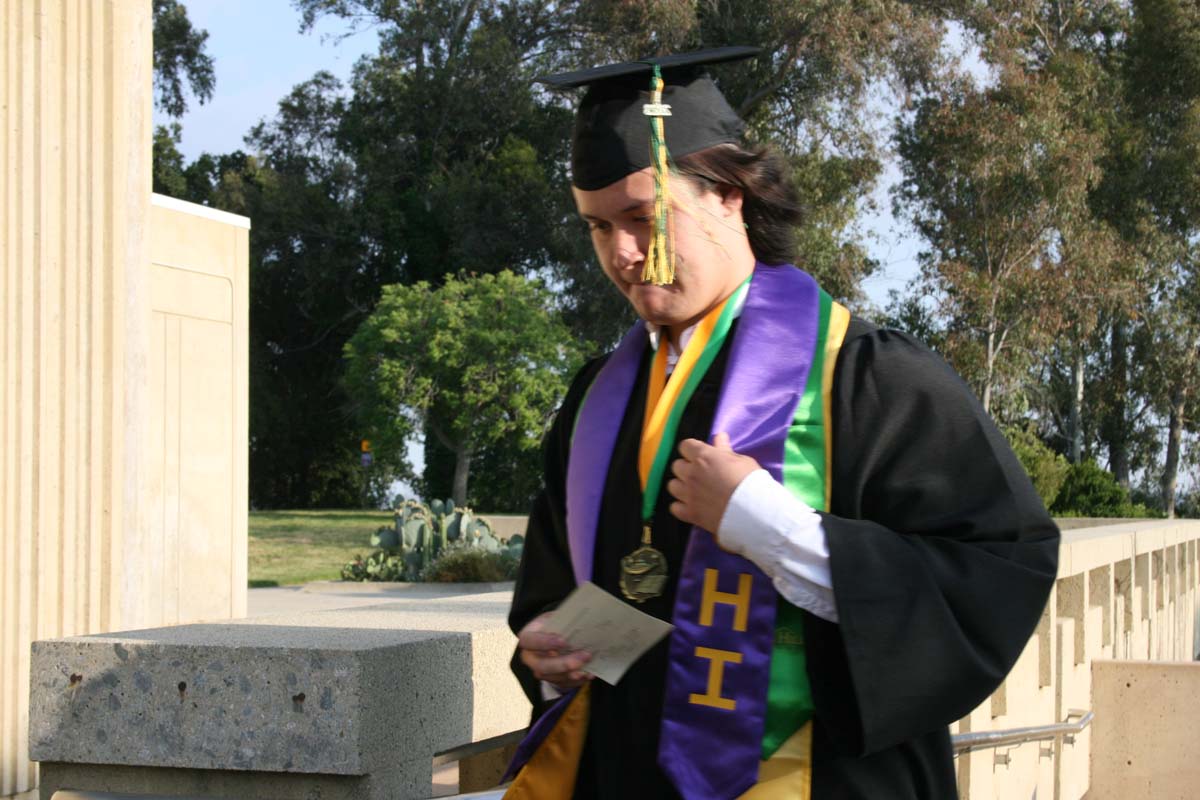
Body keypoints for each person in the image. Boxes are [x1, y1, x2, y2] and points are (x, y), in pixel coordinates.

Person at [503, 47, 1059, 800]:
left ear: (728, 196)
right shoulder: (598, 397)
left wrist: (769, 526)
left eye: (643, 217)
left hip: (819, 780)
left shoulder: (867, 375)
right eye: (598, 229)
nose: (624, 255)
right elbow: (556, 584)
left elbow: (997, 572)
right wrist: (546, 645)